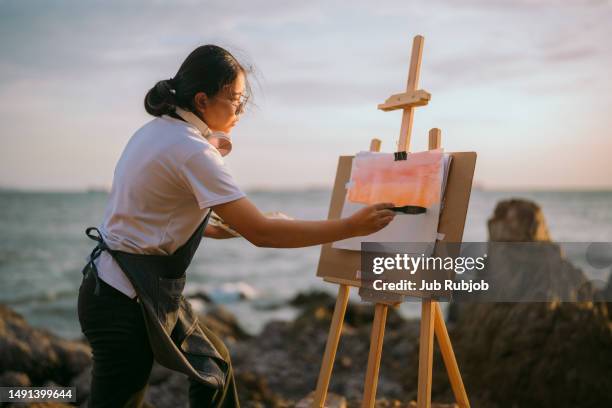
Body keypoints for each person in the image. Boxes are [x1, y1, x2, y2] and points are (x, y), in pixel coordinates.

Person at [77, 44, 395, 408]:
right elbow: (263, 234)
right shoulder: (192, 150)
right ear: (202, 100)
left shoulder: (155, 132)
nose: (241, 110)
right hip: (125, 297)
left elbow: (162, 219)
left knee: (215, 366)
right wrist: (352, 226)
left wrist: (232, 226)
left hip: (127, 287)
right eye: (237, 100)